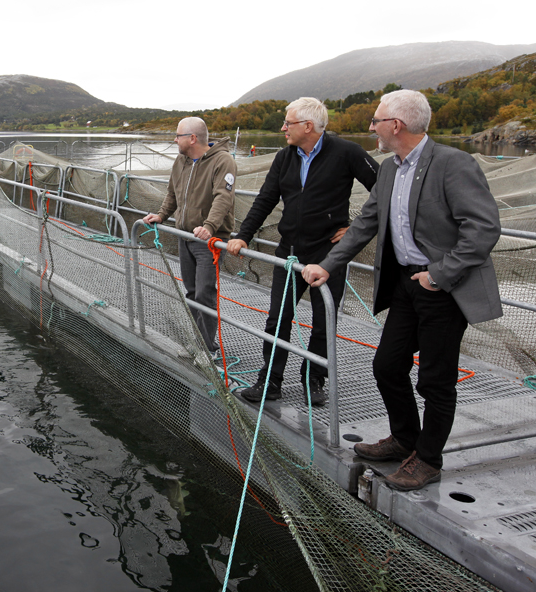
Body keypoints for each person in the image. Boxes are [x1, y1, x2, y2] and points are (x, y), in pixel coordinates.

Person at [302, 90, 502, 491]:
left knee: (435, 380)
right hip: (407, 286)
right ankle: (405, 438)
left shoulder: (453, 164)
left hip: (444, 288)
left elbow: (482, 229)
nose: (371, 127)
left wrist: (439, 274)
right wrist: (327, 265)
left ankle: (427, 459)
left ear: (397, 125)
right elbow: (365, 224)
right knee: (388, 366)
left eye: (376, 121)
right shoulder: (390, 169)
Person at [226, 98, 377, 405]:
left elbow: (386, 189)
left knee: (324, 321)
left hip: (329, 254)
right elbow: (265, 200)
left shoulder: (347, 153)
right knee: (277, 319)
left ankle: (314, 379)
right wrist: (243, 235)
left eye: (288, 123)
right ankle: (270, 381)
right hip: (290, 252)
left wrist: (357, 228)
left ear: (308, 126)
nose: (283, 128)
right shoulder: (284, 157)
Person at [143, 117, 236, 354]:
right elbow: (172, 194)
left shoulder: (223, 161)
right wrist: (162, 216)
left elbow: (223, 197)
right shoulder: (181, 161)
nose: (175, 140)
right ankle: (197, 342)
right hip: (185, 236)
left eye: (178, 136)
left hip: (210, 241)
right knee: (192, 291)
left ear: (192, 138)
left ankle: (208, 349)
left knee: (205, 292)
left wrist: (210, 226)